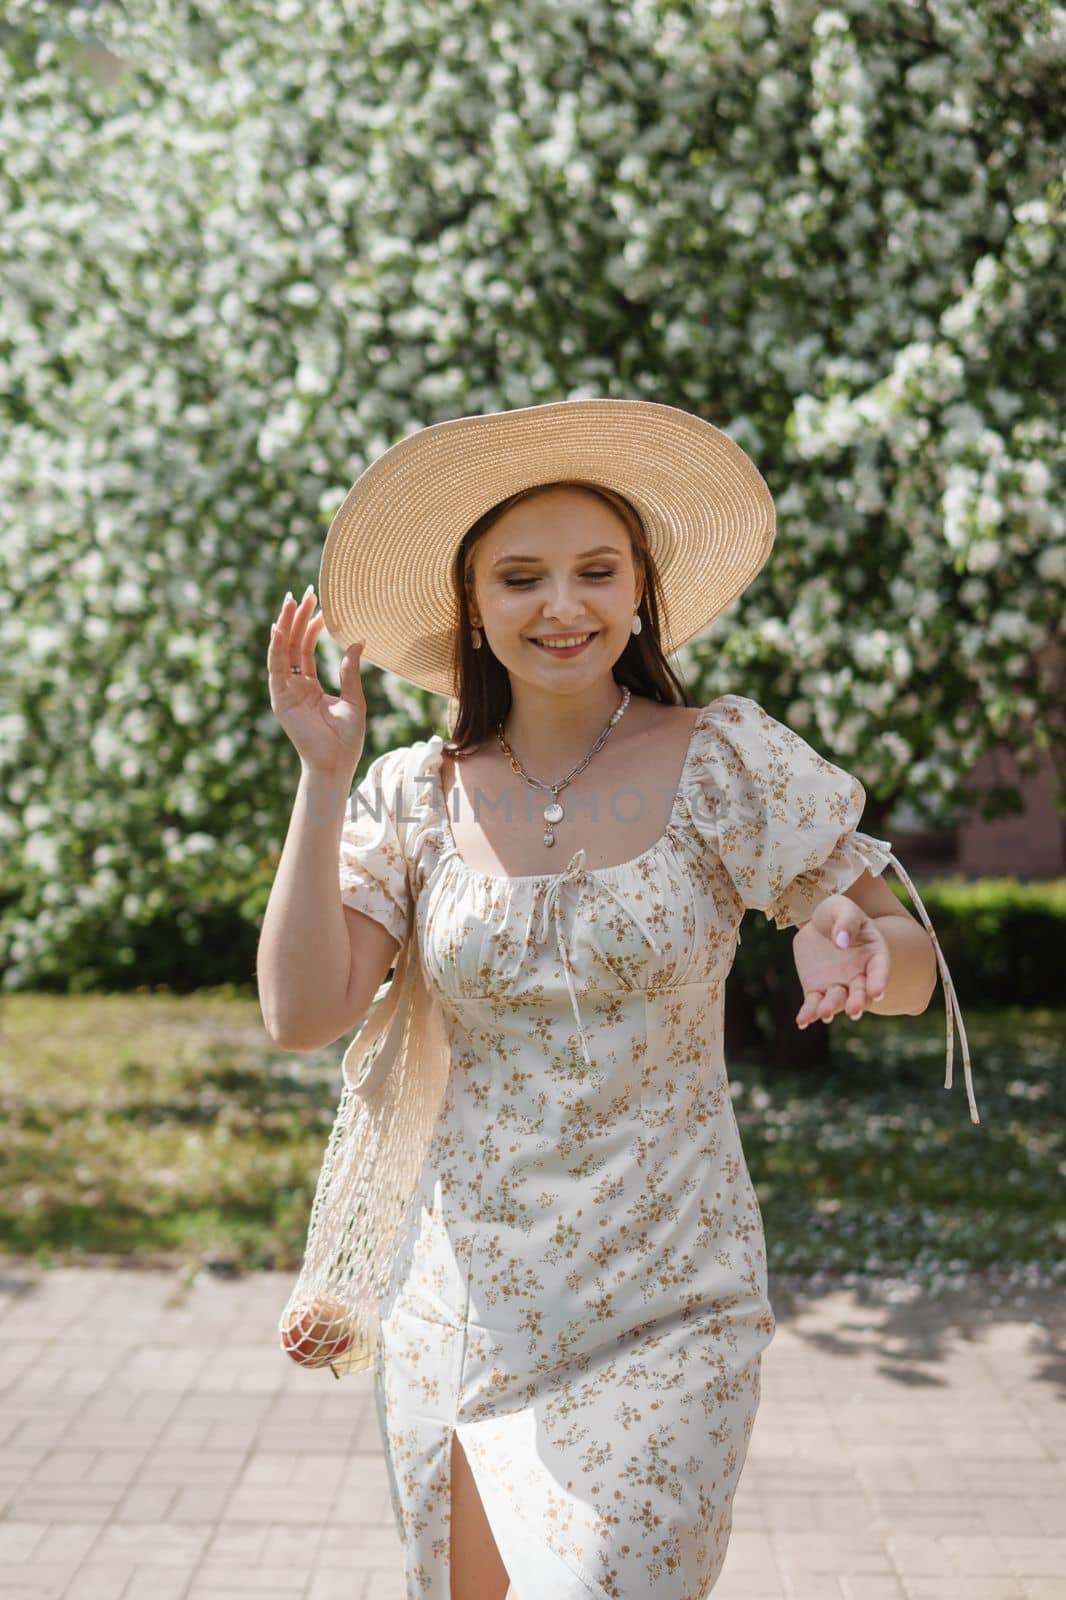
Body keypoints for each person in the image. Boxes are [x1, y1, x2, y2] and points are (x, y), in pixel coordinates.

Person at [258, 399, 980, 1600]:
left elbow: (906, 967)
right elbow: (300, 1009)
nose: (562, 605)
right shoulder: (410, 793)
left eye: (596, 571)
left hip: (672, 1303)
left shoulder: (726, 759)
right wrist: (322, 779)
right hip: (464, 1307)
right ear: (473, 609)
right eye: (521, 577)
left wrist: (856, 951)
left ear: (640, 590)